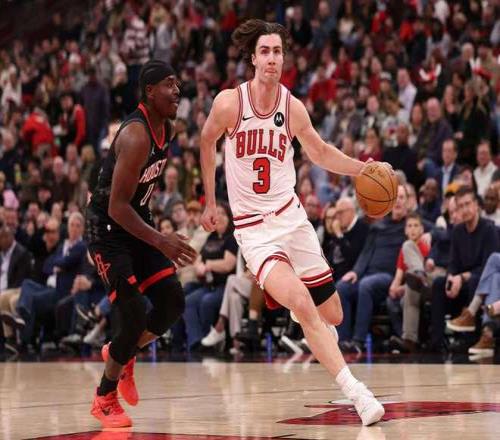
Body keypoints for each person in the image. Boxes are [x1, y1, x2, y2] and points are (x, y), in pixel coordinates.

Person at [199, 20, 384, 426]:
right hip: (254, 230)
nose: (271, 58)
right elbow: (206, 140)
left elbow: (319, 151)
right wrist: (211, 202)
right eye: (264, 51)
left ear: (284, 59)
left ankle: (306, 319)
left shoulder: (292, 107)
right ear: (253, 58)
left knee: (332, 315)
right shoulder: (230, 103)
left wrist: (362, 168)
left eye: (277, 52)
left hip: (292, 219)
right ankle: (358, 393)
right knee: (301, 300)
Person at [85, 60, 197, 428]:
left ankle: (124, 354)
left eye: (177, 83)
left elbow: (139, 194)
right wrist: (161, 240)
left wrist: (155, 233)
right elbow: (117, 206)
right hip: (107, 228)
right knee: (132, 315)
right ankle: (104, 397)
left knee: (172, 301)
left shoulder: (169, 129)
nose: (177, 91)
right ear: (149, 91)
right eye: (169, 84)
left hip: (135, 221)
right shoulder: (135, 136)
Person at [386, 213, 430, 351]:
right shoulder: (404, 249)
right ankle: (405, 338)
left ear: (422, 229)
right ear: (405, 230)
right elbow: (398, 277)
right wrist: (394, 288)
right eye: (409, 226)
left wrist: (404, 287)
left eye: (416, 226)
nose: (412, 229)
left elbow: (428, 275)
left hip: (426, 286)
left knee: (408, 293)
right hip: (412, 287)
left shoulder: (426, 247)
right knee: (391, 301)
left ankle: (409, 340)